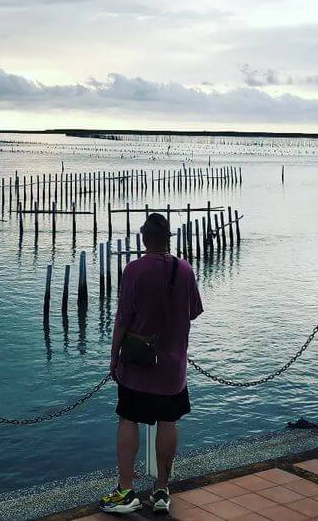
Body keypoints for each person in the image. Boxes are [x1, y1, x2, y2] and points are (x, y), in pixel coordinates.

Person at [100, 213, 204, 515]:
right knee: (167, 421)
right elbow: (193, 312)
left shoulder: (134, 270)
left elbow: (122, 319)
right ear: (168, 238)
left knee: (128, 419)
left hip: (138, 365)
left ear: (144, 238)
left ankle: (126, 490)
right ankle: (161, 489)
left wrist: (114, 355)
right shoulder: (184, 269)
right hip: (173, 367)